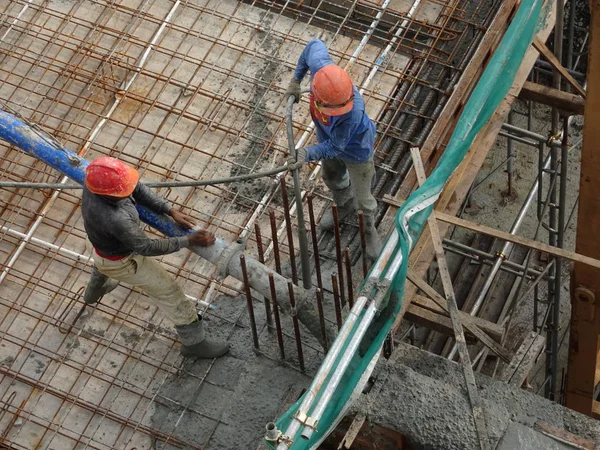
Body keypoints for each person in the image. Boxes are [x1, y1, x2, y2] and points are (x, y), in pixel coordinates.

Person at [81, 156, 228, 359]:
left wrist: (169, 210)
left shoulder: (95, 183)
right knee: (169, 291)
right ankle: (194, 344)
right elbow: (147, 247)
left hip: (103, 251)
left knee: (102, 264)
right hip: (124, 262)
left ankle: (91, 294)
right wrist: (189, 240)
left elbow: (137, 188)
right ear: (112, 194)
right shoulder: (116, 219)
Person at [286, 39, 382, 260]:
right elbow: (312, 45)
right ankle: (343, 203)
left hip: (356, 151)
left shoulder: (353, 113)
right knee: (332, 176)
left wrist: (306, 153)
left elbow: (335, 147)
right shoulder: (321, 67)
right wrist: (295, 80)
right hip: (326, 140)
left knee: (364, 196)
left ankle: (369, 230)